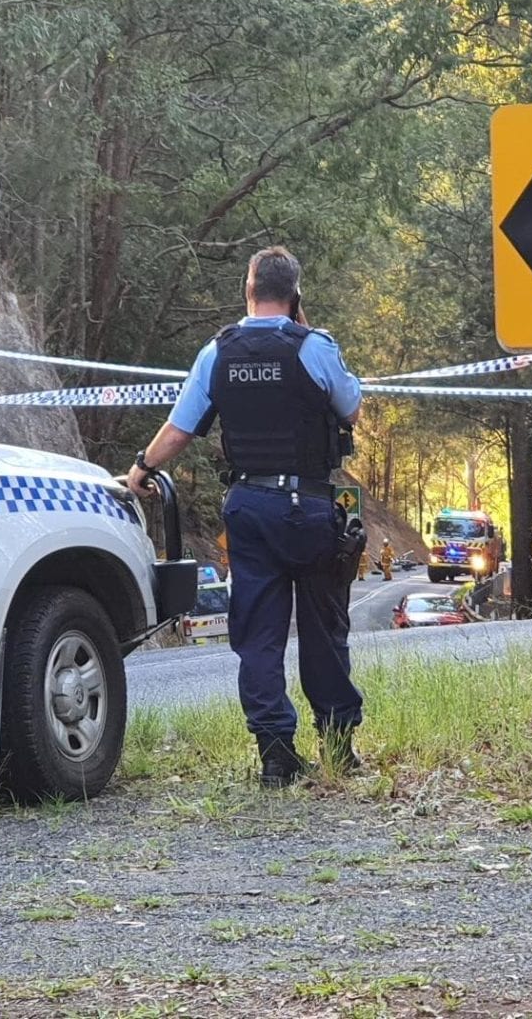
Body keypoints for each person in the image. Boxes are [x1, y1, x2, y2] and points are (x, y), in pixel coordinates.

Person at [126, 246, 364, 787]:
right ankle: (339, 747)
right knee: (324, 630)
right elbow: (352, 408)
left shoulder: (217, 352)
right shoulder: (316, 346)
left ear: (247, 290)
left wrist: (141, 467)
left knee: (258, 635)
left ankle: (276, 755)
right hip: (311, 506)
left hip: (250, 508)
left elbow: (181, 428)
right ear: (295, 294)